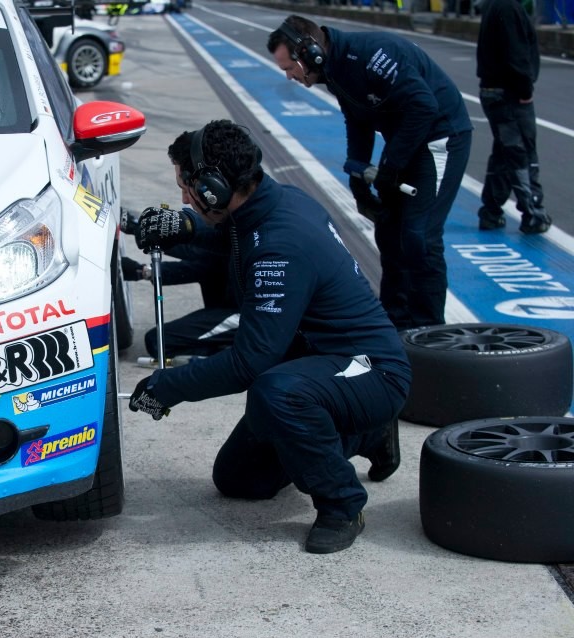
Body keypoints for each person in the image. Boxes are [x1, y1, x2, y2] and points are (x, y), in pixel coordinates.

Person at [128, 120, 412, 554]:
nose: (185, 197)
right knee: (240, 480)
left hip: (371, 371)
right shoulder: (276, 203)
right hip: (315, 363)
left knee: (274, 391)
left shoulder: (282, 245)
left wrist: (169, 387)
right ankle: (365, 436)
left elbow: (249, 362)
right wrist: (184, 226)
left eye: (187, 188)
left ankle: (342, 503)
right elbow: (237, 235)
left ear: (213, 188)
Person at [267, 15, 473, 331]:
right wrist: (357, 174)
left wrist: (390, 166)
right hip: (407, 141)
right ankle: (397, 323)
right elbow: (358, 120)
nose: (289, 76)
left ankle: (430, 330)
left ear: (310, 53)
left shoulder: (374, 55)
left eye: (289, 67)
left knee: (421, 236)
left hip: (439, 137)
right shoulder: (334, 71)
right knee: (389, 230)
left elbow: (423, 107)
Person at [120, 207, 238, 359]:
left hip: (251, 315)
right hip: (232, 302)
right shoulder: (238, 226)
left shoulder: (257, 227)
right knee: (213, 260)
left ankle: (231, 354)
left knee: (158, 343)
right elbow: (206, 260)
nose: (185, 199)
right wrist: (145, 269)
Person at [476, 0, 551, 234]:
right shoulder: (509, 7)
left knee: (505, 151)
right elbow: (515, 52)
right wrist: (525, 89)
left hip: (494, 90)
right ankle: (533, 213)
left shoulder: (495, 4)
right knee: (522, 152)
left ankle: (491, 210)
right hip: (509, 93)